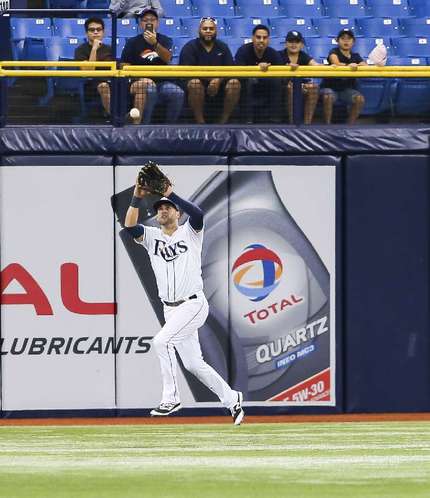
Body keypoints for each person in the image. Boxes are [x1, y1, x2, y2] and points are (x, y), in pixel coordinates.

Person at [123, 168, 245, 425]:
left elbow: (199, 214)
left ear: (178, 212)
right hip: (171, 309)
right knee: (193, 365)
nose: (163, 210)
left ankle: (171, 398)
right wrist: (136, 195)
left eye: (168, 207)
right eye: (159, 208)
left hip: (193, 304)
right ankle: (232, 398)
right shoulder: (151, 236)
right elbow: (130, 225)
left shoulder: (191, 232)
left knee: (161, 342)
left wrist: (170, 193)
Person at [120, 8, 184, 124]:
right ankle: (144, 126)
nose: (149, 22)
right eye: (145, 20)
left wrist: (154, 43)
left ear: (158, 23)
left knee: (177, 93)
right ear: (140, 24)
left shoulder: (165, 40)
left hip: (162, 82)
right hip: (139, 81)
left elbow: (167, 58)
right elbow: (124, 65)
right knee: (149, 89)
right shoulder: (132, 42)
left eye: (152, 20)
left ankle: (169, 127)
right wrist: (140, 78)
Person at [179, 17, 241, 124]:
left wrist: (218, 80)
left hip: (219, 86)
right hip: (197, 86)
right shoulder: (190, 47)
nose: (208, 31)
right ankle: (201, 123)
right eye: (205, 28)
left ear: (216, 31)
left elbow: (230, 70)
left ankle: (223, 122)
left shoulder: (223, 47)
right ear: (199, 30)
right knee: (195, 83)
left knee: (234, 83)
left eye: (211, 29)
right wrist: (211, 79)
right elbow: (187, 72)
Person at [235, 24, 283, 124]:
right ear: (253, 38)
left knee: (277, 81)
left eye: (264, 38)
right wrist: (257, 70)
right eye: (258, 37)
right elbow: (239, 74)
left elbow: (282, 74)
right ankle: (247, 121)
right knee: (246, 82)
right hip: (247, 85)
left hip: (267, 86)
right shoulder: (242, 51)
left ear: (268, 40)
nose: (261, 40)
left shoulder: (273, 53)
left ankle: (275, 121)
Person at [320, 28, 366, 124]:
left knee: (359, 99)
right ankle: (327, 125)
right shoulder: (334, 52)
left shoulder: (355, 56)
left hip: (346, 90)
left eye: (349, 38)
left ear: (353, 42)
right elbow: (335, 62)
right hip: (330, 88)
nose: (346, 41)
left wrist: (356, 65)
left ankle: (349, 126)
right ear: (337, 40)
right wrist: (349, 66)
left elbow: (364, 65)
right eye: (343, 38)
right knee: (328, 96)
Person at [278, 30, 319, 125]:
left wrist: (332, 66)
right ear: (286, 44)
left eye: (297, 42)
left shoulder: (303, 56)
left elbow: (316, 65)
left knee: (313, 87)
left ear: (302, 45)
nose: (294, 44)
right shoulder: (279, 55)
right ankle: (293, 123)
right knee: (290, 87)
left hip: (299, 86)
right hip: (282, 88)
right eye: (291, 41)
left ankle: (307, 123)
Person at [74, 17, 112, 117]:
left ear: (103, 32)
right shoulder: (80, 50)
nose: (95, 32)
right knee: (104, 86)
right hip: (91, 83)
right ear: (87, 33)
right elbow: (88, 71)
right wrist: (94, 49)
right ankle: (114, 116)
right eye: (92, 30)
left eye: (98, 29)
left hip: (111, 81)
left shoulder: (109, 49)